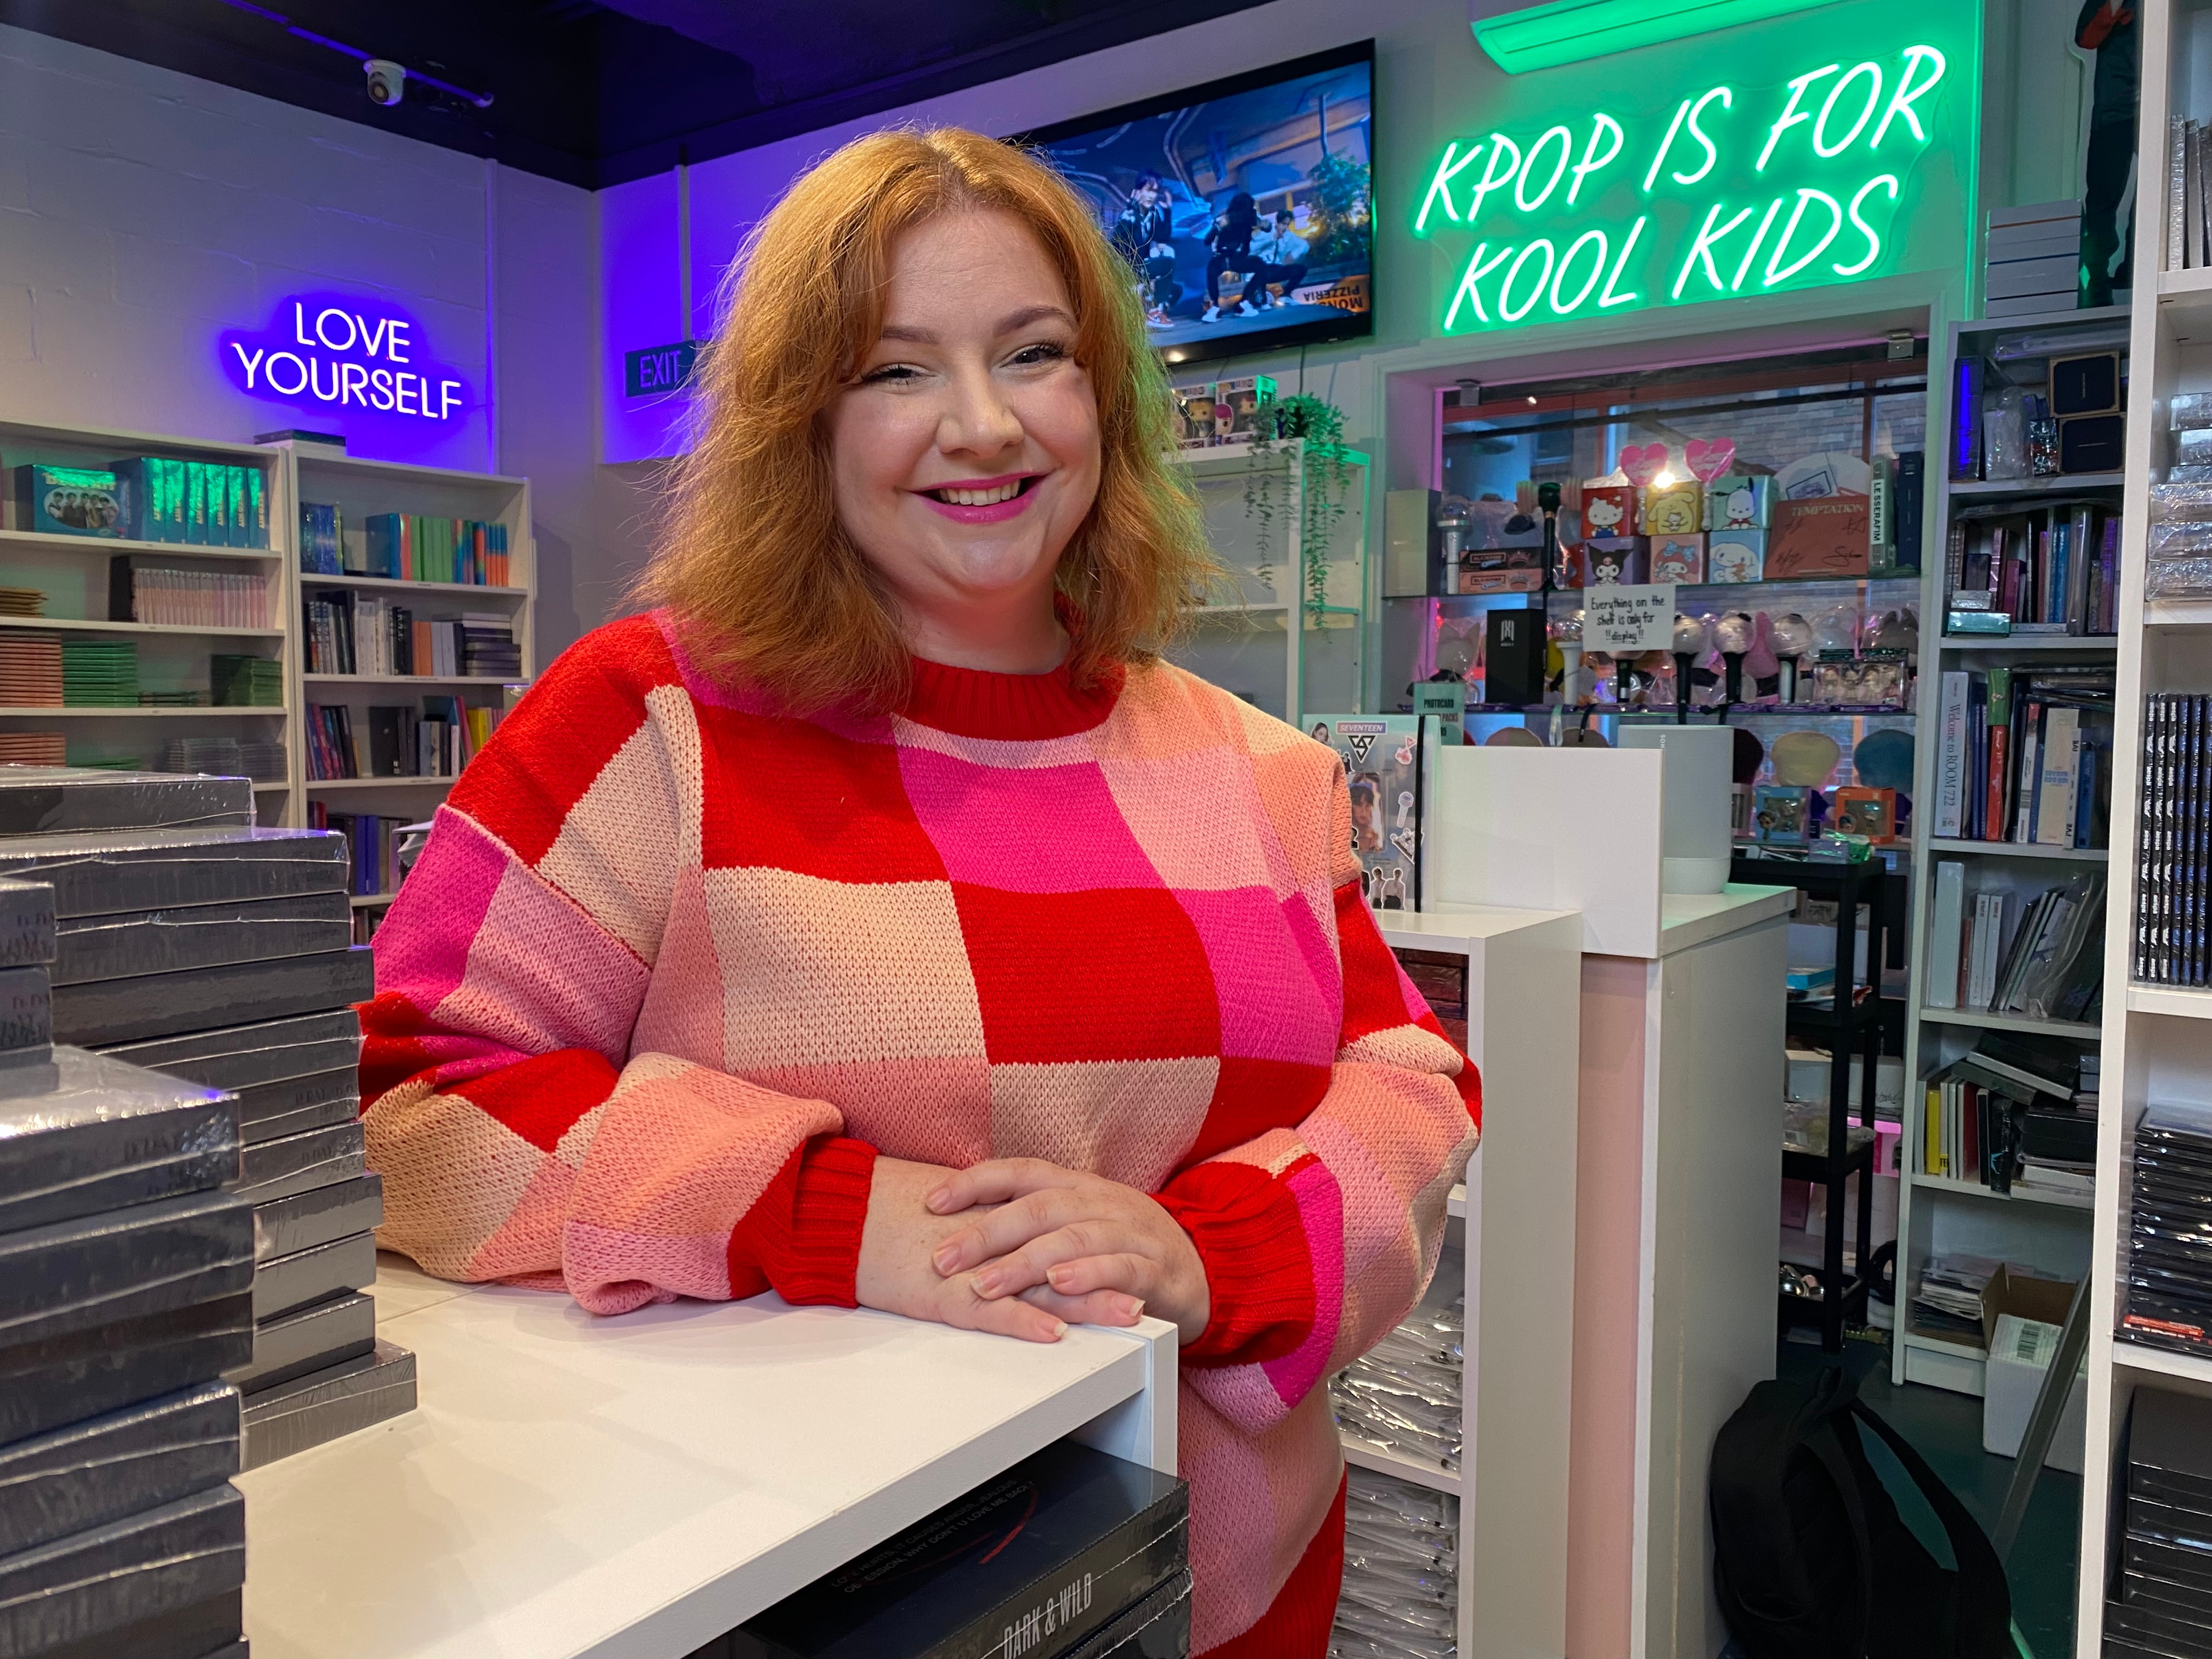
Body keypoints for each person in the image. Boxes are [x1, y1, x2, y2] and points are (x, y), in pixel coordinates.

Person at [356, 127, 1478, 1659]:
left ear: (1104, 398)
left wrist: (1219, 1257)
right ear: (802, 423)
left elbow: (1410, 1079)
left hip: (1239, 1584)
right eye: (895, 370)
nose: (984, 424)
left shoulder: (1262, 769)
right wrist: (825, 1213)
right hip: (801, 1594)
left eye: (1035, 353)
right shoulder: (647, 717)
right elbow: (422, 1103)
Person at [2075, 1, 2138, 307]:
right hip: (2115, 106)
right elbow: (2086, 39)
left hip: (2158, 97)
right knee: (2103, 194)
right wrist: (2113, 10)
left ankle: (2134, 266)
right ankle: (2097, 281)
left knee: (2160, 185)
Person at [1108, 171, 1178, 325]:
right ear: (1138, 191)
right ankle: (1139, 308)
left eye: (1155, 192)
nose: (1151, 196)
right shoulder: (1129, 215)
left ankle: (1156, 311)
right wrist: (1130, 213)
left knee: (1167, 264)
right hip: (1125, 271)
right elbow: (1116, 246)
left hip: (1141, 268)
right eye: (1148, 190)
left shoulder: (1153, 214)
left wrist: (1167, 212)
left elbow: (1162, 239)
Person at [1201, 191, 1261, 323]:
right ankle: (1216, 308)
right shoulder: (1227, 219)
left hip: (1235, 258)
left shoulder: (1248, 219)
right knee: (1212, 269)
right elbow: (1207, 241)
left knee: (1260, 265)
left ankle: (1242, 303)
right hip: (1223, 257)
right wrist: (1217, 227)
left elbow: (1260, 230)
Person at [1247, 209, 1310, 310]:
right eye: (1283, 224)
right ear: (1278, 222)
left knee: (1302, 269)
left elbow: (1305, 245)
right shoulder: (1267, 233)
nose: (1285, 227)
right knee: (1262, 269)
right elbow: (1251, 249)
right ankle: (1260, 299)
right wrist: (1271, 239)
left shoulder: (1287, 236)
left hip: (1275, 269)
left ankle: (1286, 295)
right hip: (1261, 270)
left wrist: (1292, 256)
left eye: (1287, 225)